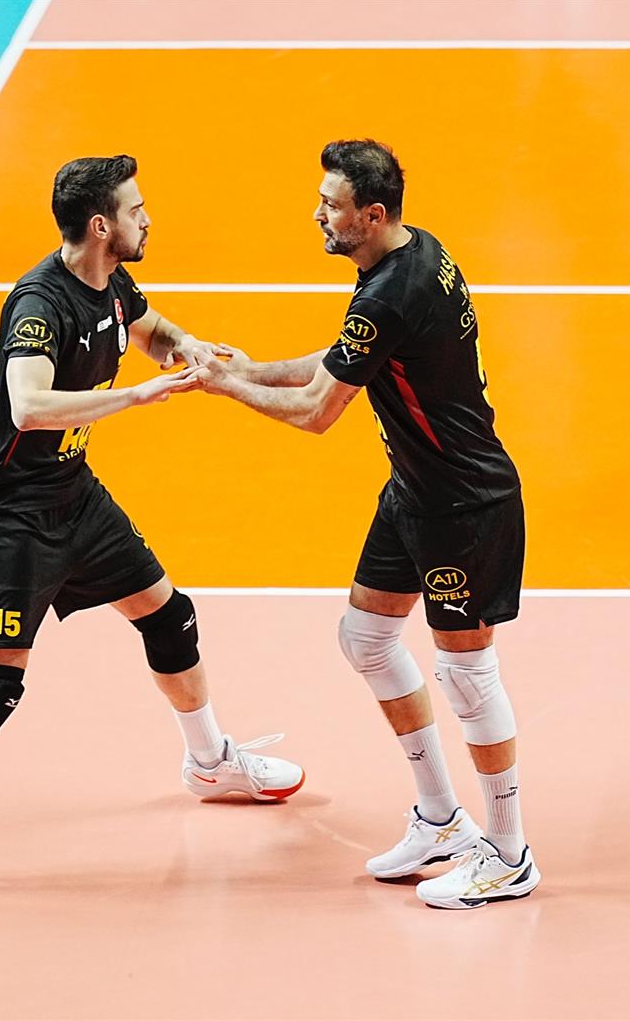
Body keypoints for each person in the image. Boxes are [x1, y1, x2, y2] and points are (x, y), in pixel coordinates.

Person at [0, 155, 304, 907]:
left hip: (73, 494)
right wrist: (136, 397)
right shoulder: (39, 305)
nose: (147, 218)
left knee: (169, 615)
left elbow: (150, 329)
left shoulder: (111, 282)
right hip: (12, 513)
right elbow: (29, 406)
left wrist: (192, 350)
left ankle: (209, 762)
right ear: (101, 226)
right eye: (136, 209)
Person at [196, 139, 539, 909]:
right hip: (413, 492)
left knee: (467, 676)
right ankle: (441, 821)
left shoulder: (388, 293)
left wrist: (226, 388)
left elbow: (317, 410)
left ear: (372, 215)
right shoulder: (418, 252)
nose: (318, 214)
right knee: (367, 638)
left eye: (332, 205)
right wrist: (246, 367)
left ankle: (509, 854)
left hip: (463, 506)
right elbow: (348, 357)